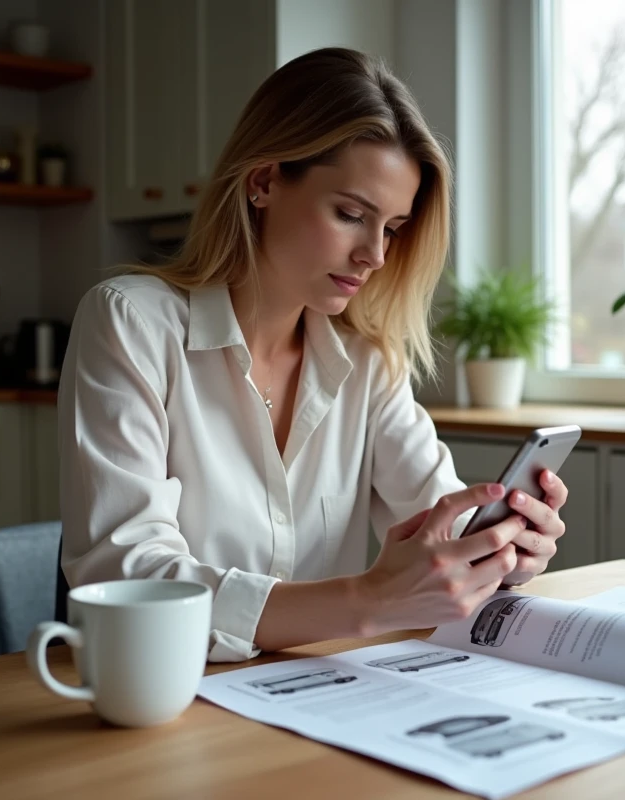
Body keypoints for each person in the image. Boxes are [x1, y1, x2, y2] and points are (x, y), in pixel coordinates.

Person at [58, 47, 569, 662]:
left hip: (310, 701)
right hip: (159, 691)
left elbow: (438, 513)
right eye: (352, 214)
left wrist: (503, 546)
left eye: (392, 228)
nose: (375, 255)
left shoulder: (370, 363)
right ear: (264, 181)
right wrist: (370, 600)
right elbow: (129, 572)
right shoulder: (132, 322)